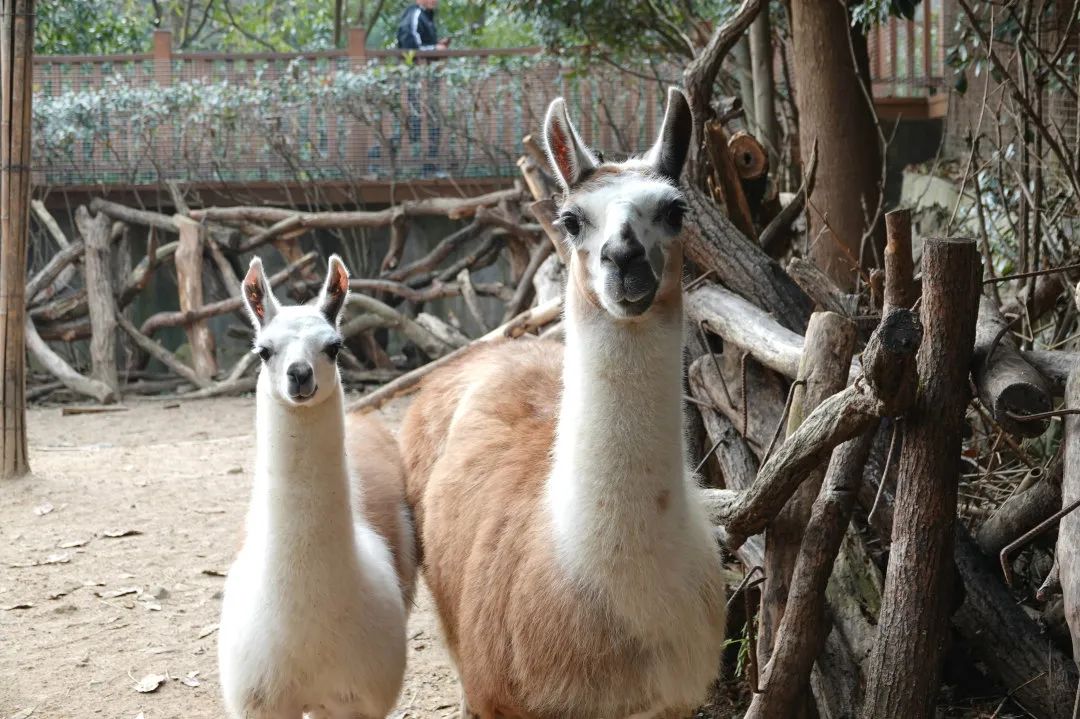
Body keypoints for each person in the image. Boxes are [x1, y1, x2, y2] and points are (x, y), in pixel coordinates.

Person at [396, 0, 449, 176]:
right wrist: (435, 48)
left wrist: (437, 46)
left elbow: (423, 43)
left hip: (428, 80)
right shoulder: (414, 14)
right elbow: (409, 46)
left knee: (432, 121)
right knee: (416, 122)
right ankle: (418, 168)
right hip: (416, 80)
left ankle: (430, 167)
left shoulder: (426, 16)